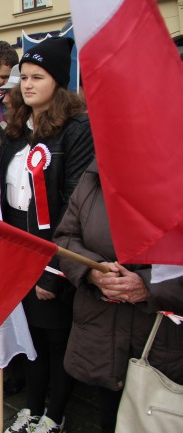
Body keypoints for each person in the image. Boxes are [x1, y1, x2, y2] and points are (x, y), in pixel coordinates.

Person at [0, 37, 95, 433]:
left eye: (38, 76)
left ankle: (55, 413)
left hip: (54, 251)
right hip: (18, 249)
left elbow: (75, 202)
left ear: (58, 81)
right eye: (23, 76)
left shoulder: (75, 130)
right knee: (29, 335)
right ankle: (32, 408)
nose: (27, 84)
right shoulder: (17, 130)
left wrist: (54, 270)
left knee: (56, 338)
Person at [53, 160, 183, 433]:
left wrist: (149, 285)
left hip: (162, 341)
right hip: (102, 332)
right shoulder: (95, 173)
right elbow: (65, 238)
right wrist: (92, 271)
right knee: (110, 416)